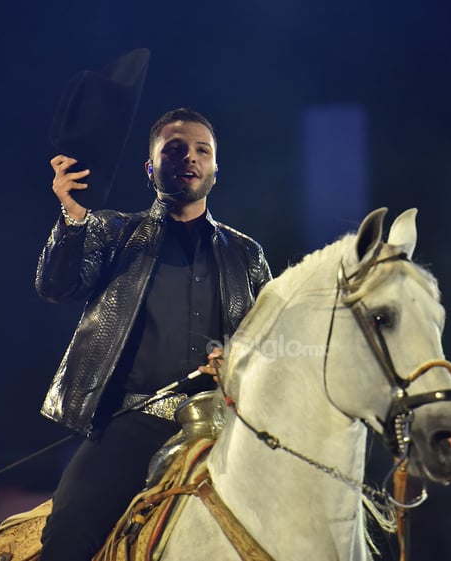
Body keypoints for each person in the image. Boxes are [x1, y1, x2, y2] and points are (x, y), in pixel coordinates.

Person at [34, 107, 272, 561]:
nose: (190, 158)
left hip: (228, 427)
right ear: (151, 167)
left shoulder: (247, 254)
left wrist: (241, 361)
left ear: (215, 171)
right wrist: (72, 217)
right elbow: (56, 286)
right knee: (66, 533)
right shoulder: (111, 231)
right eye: (175, 148)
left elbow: (271, 344)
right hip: (130, 424)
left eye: (202, 150)